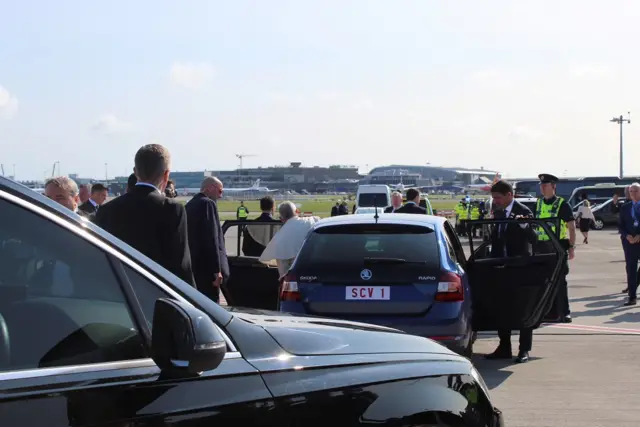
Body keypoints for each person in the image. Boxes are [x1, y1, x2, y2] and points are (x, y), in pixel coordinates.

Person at [95, 144, 195, 286]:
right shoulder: (171, 209)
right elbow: (181, 265)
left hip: (119, 291)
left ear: (135, 172)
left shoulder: (106, 209)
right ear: (166, 174)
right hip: (157, 293)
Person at [484, 180, 535, 363]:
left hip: (519, 269)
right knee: (502, 309)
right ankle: (504, 347)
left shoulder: (524, 211)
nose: (495, 201)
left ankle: (524, 350)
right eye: (493, 198)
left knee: (523, 310)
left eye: (498, 198)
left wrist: (524, 225)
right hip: (500, 268)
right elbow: (495, 239)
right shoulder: (497, 213)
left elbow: (533, 237)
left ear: (509, 195)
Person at [534, 173, 576, 323]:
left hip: (557, 247)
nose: (542, 188)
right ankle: (549, 312)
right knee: (544, 281)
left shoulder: (562, 204)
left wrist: (571, 246)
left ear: (553, 187)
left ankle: (564, 312)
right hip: (541, 247)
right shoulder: (538, 203)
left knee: (559, 281)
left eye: (545, 185)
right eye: (541, 186)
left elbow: (571, 227)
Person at [185, 176, 229, 303]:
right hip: (207, 271)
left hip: (194, 267)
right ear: (210, 188)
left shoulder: (190, 205)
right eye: (220, 191)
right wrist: (216, 270)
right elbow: (212, 239)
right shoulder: (208, 204)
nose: (220, 196)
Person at [259, 201, 320, 278]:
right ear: (297, 211)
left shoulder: (278, 238)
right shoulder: (313, 221)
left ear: (281, 219)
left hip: (291, 282)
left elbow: (267, 259)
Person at [618, 182, 640, 306]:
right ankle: (632, 296)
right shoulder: (625, 207)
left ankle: (635, 284)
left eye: (636, 191)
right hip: (630, 243)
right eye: (631, 191)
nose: (633, 194)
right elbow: (620, 225)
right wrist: (627, 235)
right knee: (631, 269)